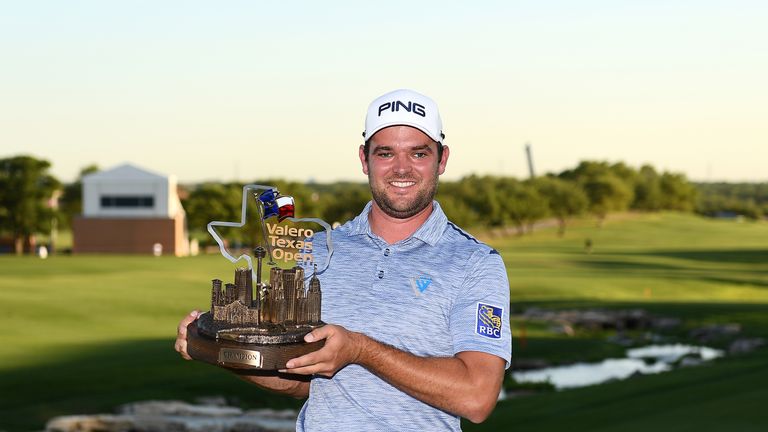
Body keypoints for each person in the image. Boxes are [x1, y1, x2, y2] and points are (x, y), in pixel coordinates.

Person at [176, 89, 512, 431]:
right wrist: (220, 349)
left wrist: (360, 349)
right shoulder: (320, 249)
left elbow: (477, 397)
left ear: (442, 159)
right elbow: (300, 380)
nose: (401, 168)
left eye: (418, 153)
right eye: (385, 153)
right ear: (365, 159)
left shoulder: (476, 262)